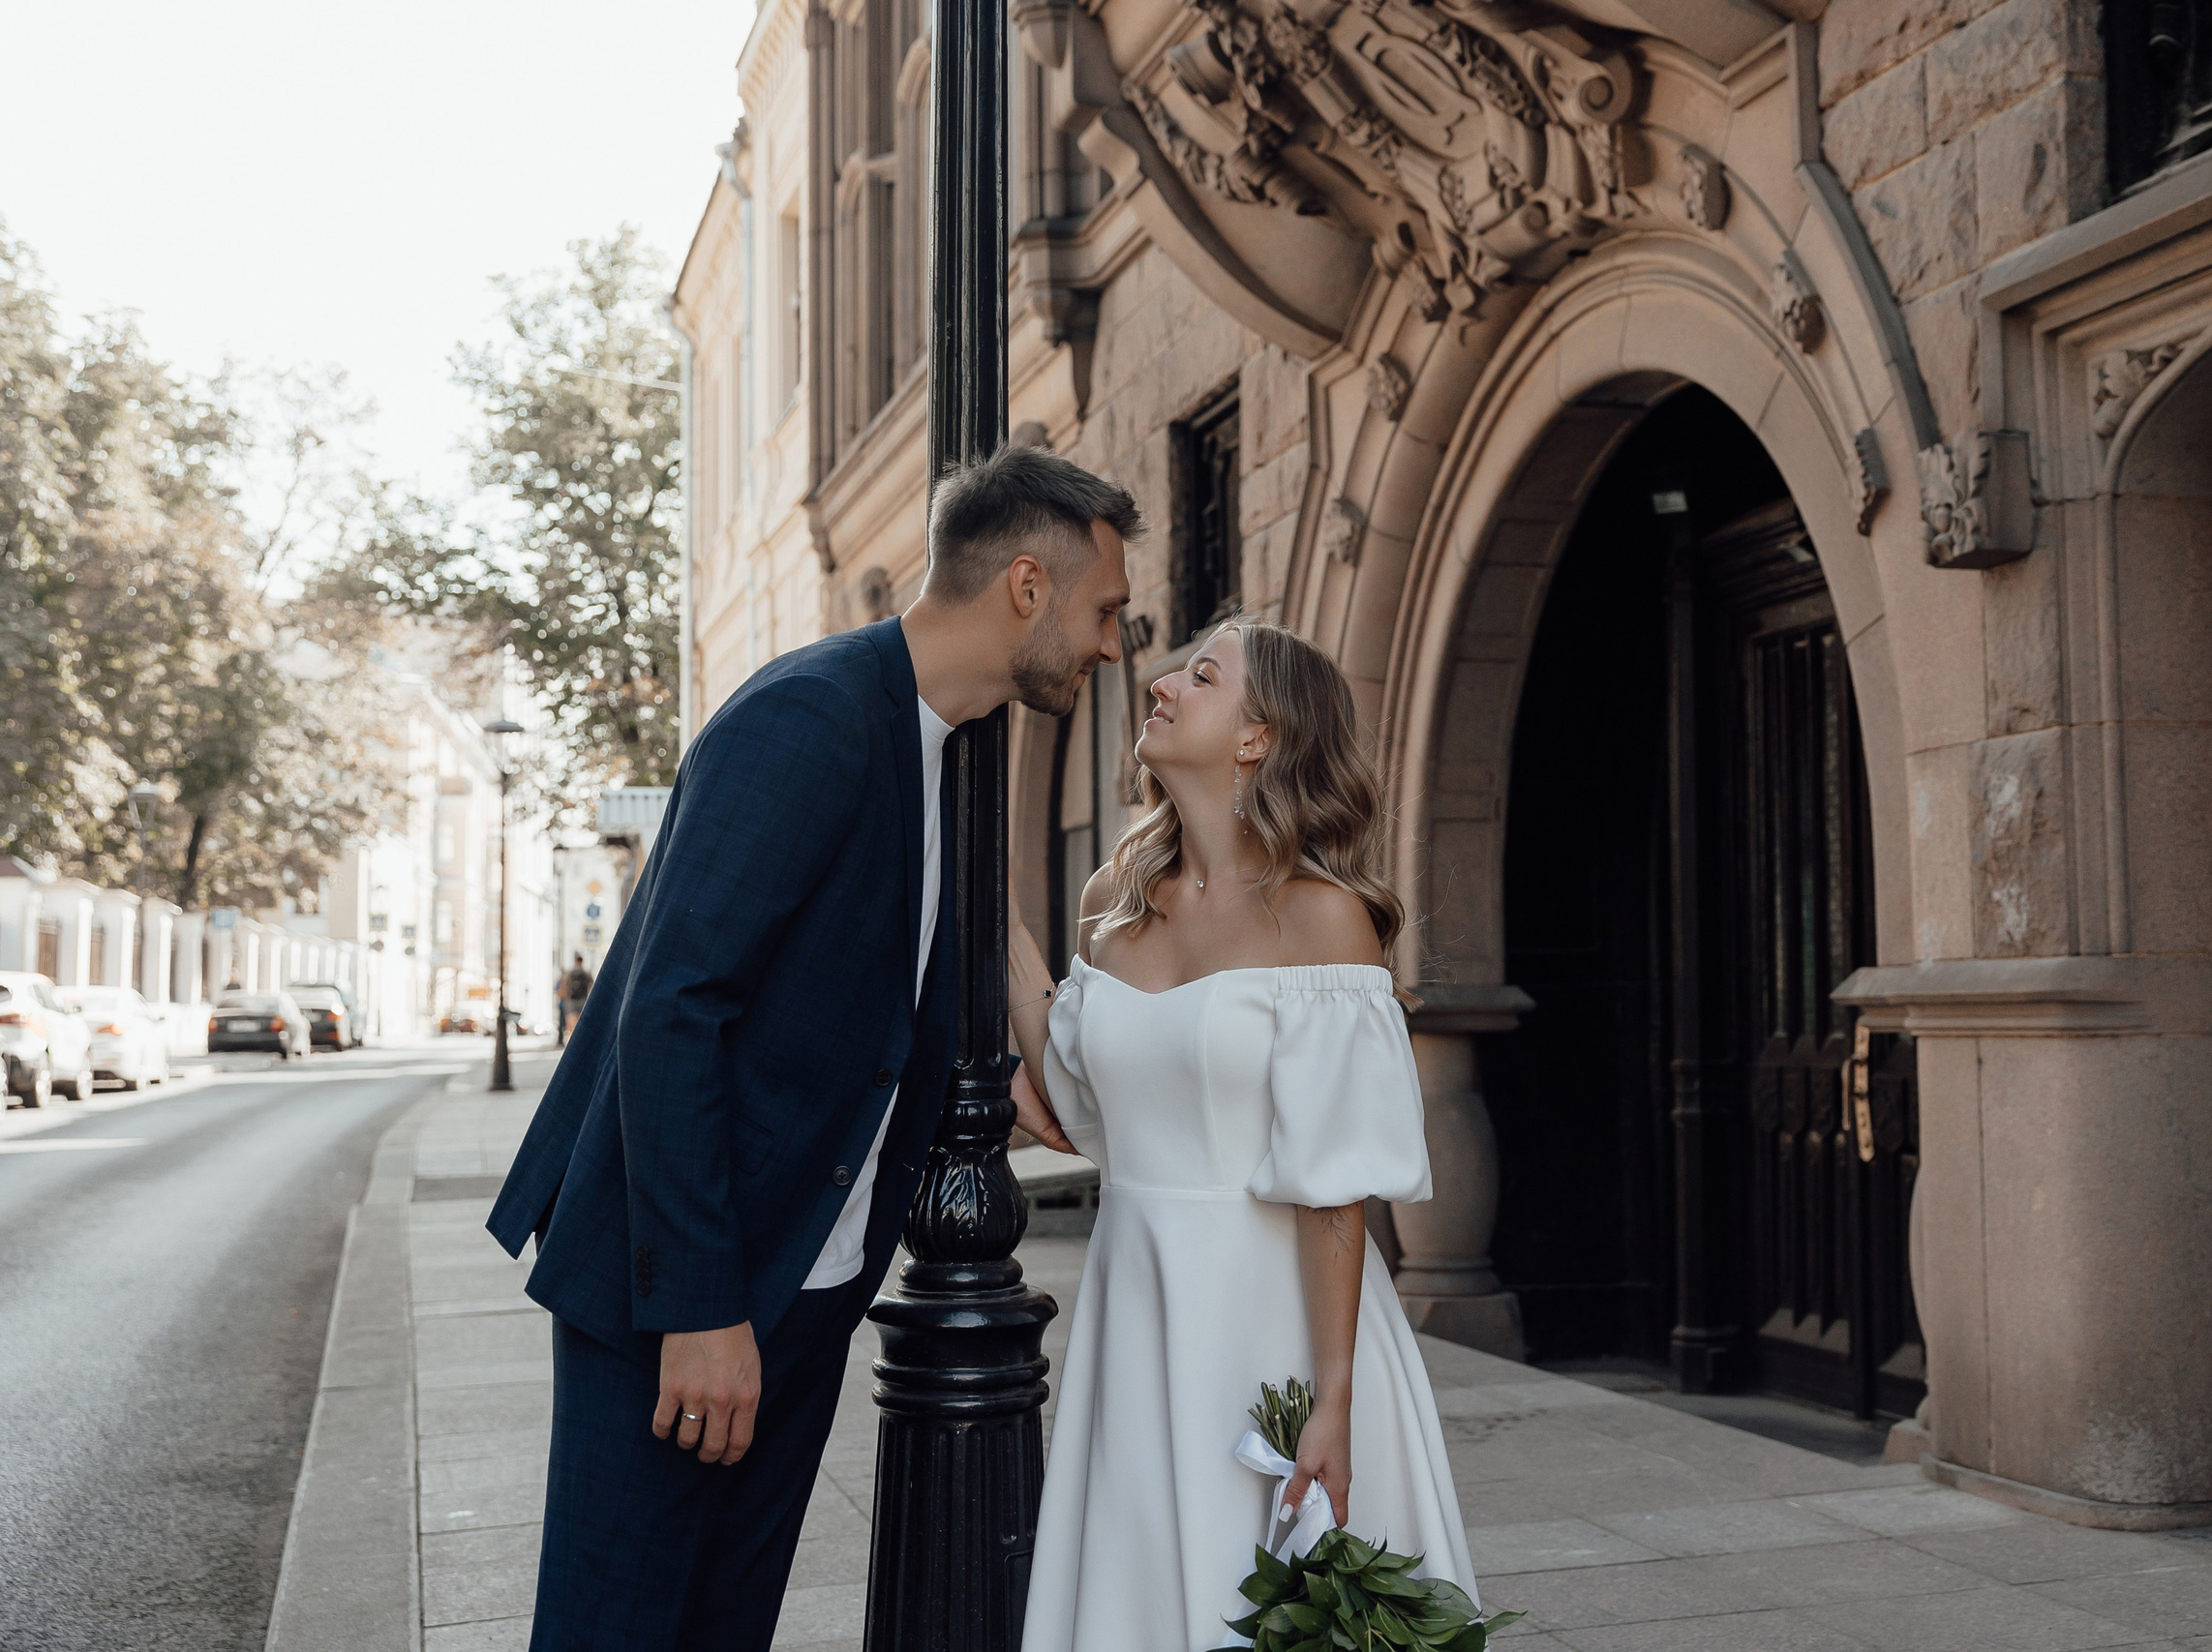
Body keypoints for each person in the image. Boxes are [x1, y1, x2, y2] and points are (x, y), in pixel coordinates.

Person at [483, 444, 1134, 1652]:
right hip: (686, 1296)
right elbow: (672, 1010)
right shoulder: (813, 716)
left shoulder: (942, 746)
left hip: (806, 1281)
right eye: (1104, 612)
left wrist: (1007, 1064)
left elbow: (921, 951)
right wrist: (702, 1310)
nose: (1109, 647)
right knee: (618, 1631)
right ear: (1027, 587)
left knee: (722, 1631)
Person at [1008, 619, 1479, 1650]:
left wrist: (1334, 1400)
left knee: (1280, 1600)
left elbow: (1332, 1193)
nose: (1162, 682)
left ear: (1259, 736)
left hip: (1284, 1328)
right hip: (1139, 1310)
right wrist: (988, 903)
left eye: (1202, 673)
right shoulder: (1112, 902)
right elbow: (1075, 1102)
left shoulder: (1325, 919)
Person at [557, 953, 593, 1047]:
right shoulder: (586, 973)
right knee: (582, 1022)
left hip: (571, 1001)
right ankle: (581, 1042)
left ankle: (573, 1043)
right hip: (582, 1000)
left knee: (571, 1024)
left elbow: (563, 986)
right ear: (582, 962)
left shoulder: (569, 973)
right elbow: (591, 985)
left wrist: (562, 997)